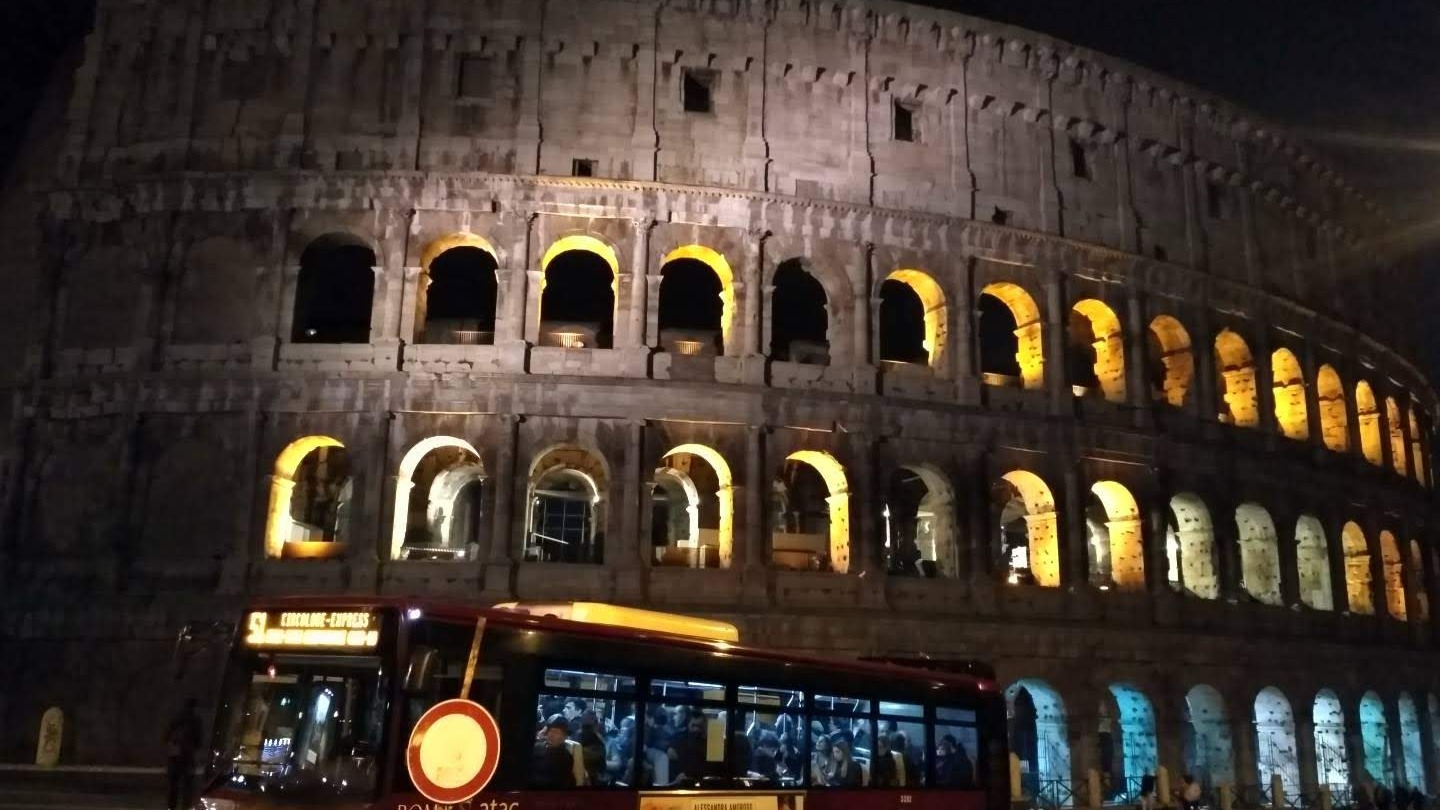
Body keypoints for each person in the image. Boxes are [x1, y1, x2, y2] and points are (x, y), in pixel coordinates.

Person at [164, 698, 203, 810]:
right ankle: (185, 806)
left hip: (175, 755)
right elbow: (199, 740)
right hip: (187, 755)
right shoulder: (196, 720)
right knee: (187, 785)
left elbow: (167, 733)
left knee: (174, 785)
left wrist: (171, 744)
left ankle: (172, 807)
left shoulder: (178, 717)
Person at [532, 715, 585, 788]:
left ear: (564, 737)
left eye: (557, 732)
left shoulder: (565, 756)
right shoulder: (537, 747)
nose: (551, 735)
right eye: (551, 731)